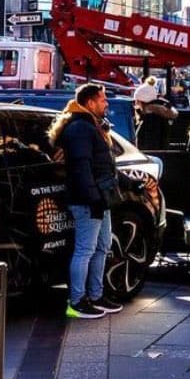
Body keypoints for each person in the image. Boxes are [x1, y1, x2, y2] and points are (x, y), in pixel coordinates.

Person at [48, 83, 123, 319]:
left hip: (100, 198)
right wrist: (93, 198)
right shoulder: (81, 128)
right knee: (85, 250)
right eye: (102, 100)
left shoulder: (92, 126)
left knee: (102, 247)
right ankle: (77, 301)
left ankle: (96, 295)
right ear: (90, 102)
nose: (106, 103)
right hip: (88, 200)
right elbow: (81, 167)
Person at [133, 80, 178, 152]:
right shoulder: (158, 115)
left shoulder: (150, 120)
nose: (135, 104)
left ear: (144, 101)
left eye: (137, 101)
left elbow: (148, 146)